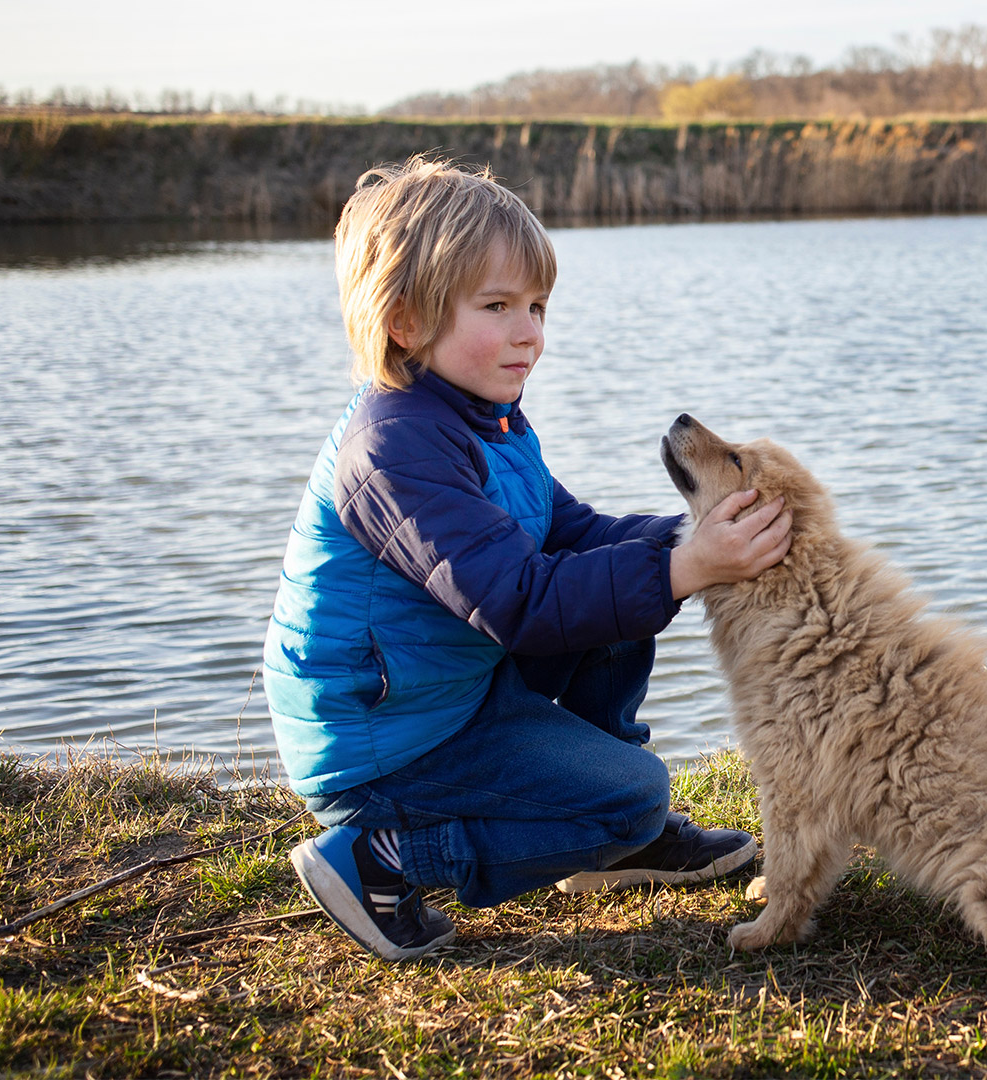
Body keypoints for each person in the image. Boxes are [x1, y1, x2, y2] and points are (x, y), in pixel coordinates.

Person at [262, 156, 791, 961]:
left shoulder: (488, 418)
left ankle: (609, 843)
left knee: (615, 613)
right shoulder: (394, 448)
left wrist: (697, 536)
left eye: (538, 306)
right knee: (634, 790)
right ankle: (380, 859)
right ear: (405, 321)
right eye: (498, 306)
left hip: (445, 696)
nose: (530, 333)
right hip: (381, 743)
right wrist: (687, 568)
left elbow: (569, 534)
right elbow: (522, 602)